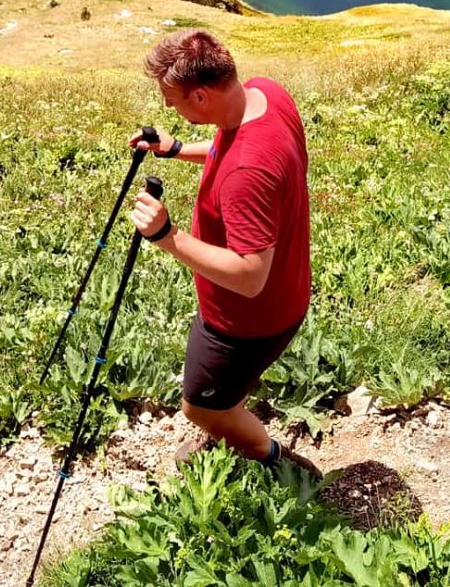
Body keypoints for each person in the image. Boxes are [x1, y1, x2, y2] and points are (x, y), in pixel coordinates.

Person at [128, 30, 312, 468]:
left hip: (246, 320)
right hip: (285, 291)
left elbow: (250, 277)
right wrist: (174, 150)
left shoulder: (247, 171)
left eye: (173, 100)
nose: (169, 107)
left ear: (201, 97)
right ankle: (236, 407)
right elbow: (227, 147)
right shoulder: (265, 95)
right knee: (221, 392)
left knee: (200, 406)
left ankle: (269, 457)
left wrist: (166, 235)